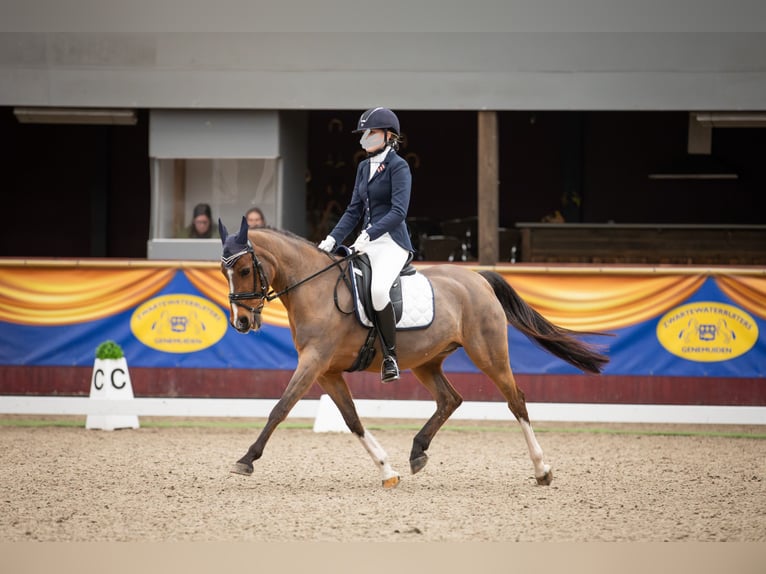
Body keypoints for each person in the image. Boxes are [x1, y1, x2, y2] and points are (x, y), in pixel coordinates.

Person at [317, 107, 413, 383]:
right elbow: (353, 210)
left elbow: (398, 212)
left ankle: (391, 357)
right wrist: (332, 239)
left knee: (379, 290)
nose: (366, 137)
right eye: (364, 133)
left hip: (391, 242)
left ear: (388, 135)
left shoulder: (399, 166)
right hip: (366, 242)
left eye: (371, 132)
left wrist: (369, 234)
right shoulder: (363, 166)